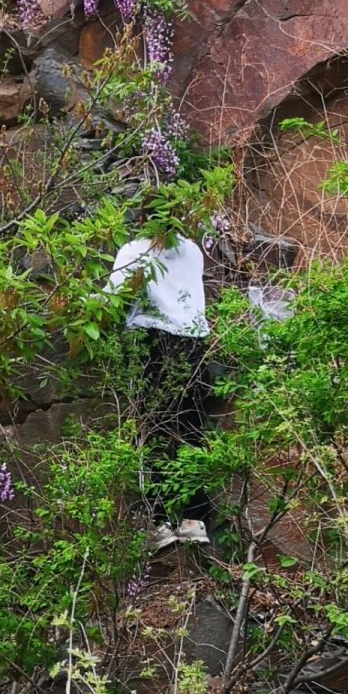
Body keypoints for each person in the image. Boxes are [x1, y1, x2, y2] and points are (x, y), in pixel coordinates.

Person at [104, 227, 213, 550]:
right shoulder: (193, 250)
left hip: (152, 344)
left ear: (141, 219)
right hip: (194, 345)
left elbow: (113, 298)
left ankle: (158, 522)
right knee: (191, 432)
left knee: (151, 432)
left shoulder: (134, 250)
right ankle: (195, 521)